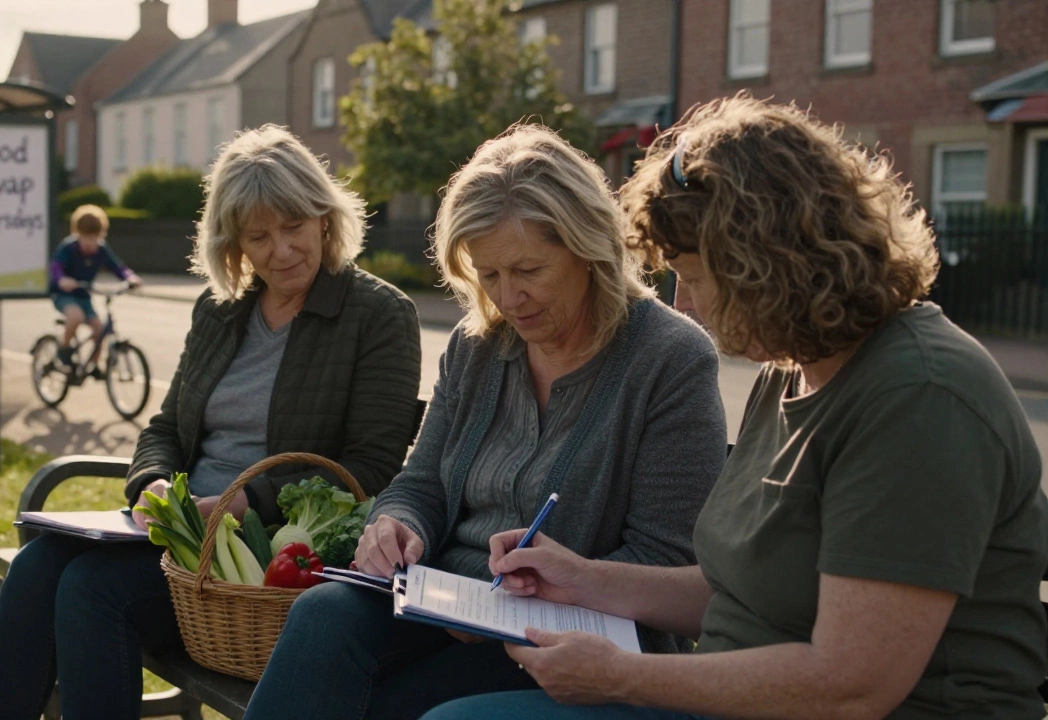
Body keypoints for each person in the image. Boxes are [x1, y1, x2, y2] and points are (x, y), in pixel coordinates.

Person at [421, 96, 1048, 720]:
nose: (684, 305)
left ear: (770, 263)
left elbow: (851, 685)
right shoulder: (792, 373)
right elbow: (733, 592)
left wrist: (624, 677)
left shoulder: (919, 398)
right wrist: (581, 578)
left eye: (694, 277)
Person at [243, 124, 728, 720]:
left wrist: (523, 602)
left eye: (527, 270)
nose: (508, 298)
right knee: (322, 615)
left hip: (578, 640)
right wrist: (396, 524)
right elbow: (422, 483)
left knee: (380, 703)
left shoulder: (669, 358)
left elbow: (670, 560)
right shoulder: (478, 346)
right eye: (488, 275)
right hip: (447, 605)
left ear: (588, 248)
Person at [0, 125, 424, 720]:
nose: (281, 250)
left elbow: (369, 467)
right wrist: (152, 484)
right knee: (38, 566)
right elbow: (165, 426)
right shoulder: (220, 308)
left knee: (91, 591)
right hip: (180, 532)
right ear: (233, 243)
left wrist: (240, 505)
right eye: (257, 236)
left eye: (293, 227)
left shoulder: (380, 315)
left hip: (267, 554)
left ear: (324, 217)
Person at [48, 204, 143, 370]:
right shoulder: (68, 248)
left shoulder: (101, 249)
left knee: (99, 330)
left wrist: (130, 277)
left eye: (96, 238)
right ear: (78, 234)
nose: (92, 243)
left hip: (84, 295)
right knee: (75, 317)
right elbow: (55, 266)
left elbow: (117, 266)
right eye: (87, 238)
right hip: (64, 294)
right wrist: (62, 279)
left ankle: (94, 365)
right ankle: (63, 348)